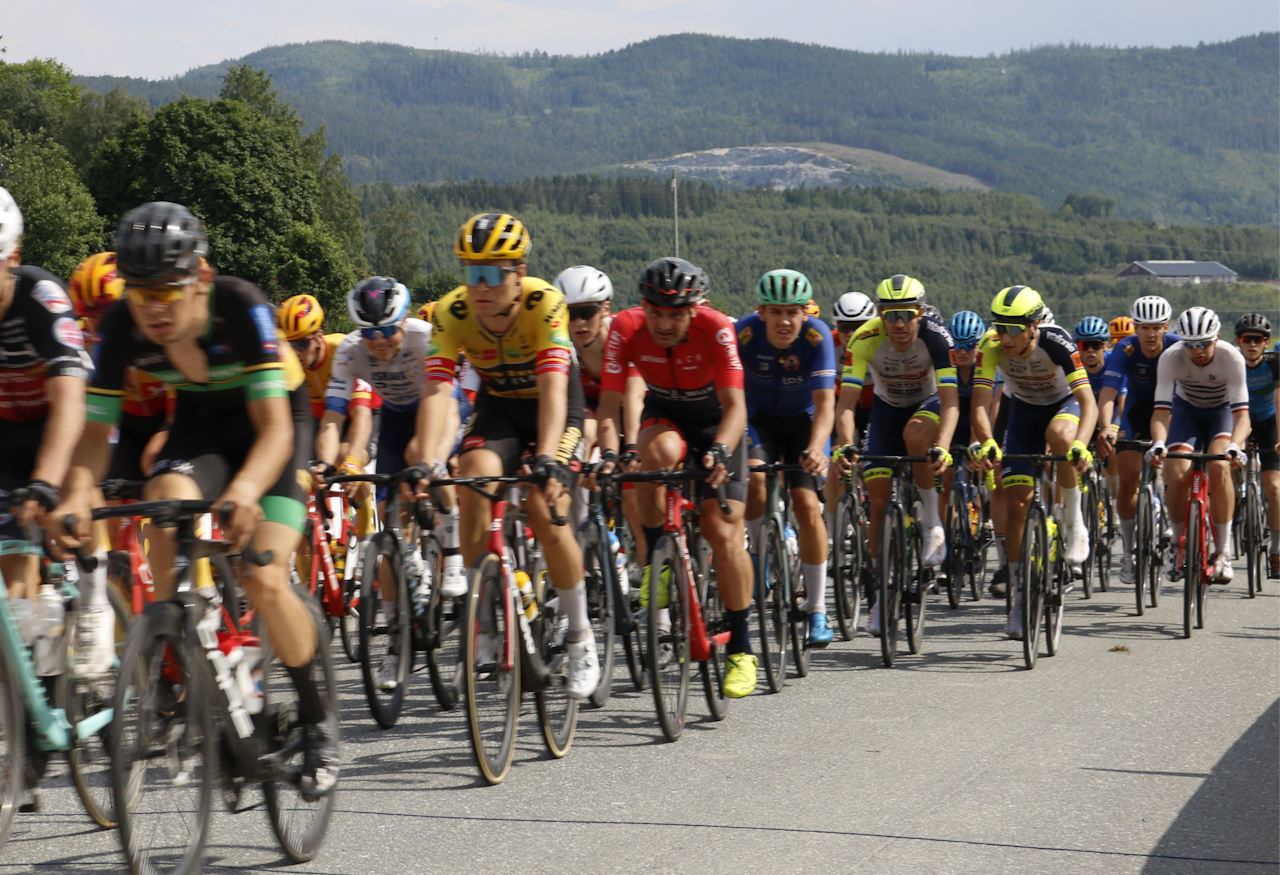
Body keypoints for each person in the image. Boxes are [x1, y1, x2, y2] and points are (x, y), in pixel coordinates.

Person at [53, 201, 337, 799]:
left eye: (167, 292)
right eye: (139, 293)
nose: (152, 308)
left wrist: (243, 491)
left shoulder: (241, 306)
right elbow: (93, 433)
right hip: (201, 427)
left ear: (200, 277)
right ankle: (188, 631)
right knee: (163, 500)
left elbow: (275, 431)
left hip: (274, 427)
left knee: (264, 576)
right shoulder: (123, 327)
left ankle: (316, 720)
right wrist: (76, 493)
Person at [411, 212, 600, 700]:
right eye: (470, 271)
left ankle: (579, 633)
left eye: (492, 272)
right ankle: (486, 619)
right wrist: (430, 461)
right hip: (499, 410)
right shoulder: (452, 313)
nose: (480, 285)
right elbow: (436, 393)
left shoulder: (545, 305)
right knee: (471, 481)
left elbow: (556, 389)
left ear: (518, 274)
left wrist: (551, 461)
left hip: (552, 408)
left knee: (544, 506)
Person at [595, 257, 757, 697]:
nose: (663, 324)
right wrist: (610, 452)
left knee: (723, 532)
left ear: (694, 308)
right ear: (642, 307)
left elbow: (737, 406)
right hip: (665, 414)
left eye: (675, 314)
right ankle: (658, 558)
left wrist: (722, 449)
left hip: (717, 423)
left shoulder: (716, 326)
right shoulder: (625, 328)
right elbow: (609, 407)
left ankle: (742, 648)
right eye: (655, 313)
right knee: (651, 458)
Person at [315, 278, 467, 690]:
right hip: (398, 416)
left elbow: (445, 393)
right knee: (388, 531)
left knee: (425, 458)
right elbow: (333, 417)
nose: (379, 341)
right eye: (370, 332)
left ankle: (452, 551)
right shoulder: (349, 351)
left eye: (387, 330)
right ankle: (396, 644)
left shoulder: (426, 337)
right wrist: (324, 463)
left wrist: (438, 456)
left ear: (404, 320)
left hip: (441, 402)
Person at [833, 274, 959, 636]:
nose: (899, 324)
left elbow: (951, 401)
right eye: (890, 315)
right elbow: (847, 403)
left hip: (928, 404)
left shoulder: (937, 338)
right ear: (880, 315)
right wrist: (845, 442)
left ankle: (933, 521)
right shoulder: (864, 338)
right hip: (886, 411)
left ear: (921, 313)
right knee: (875, 501)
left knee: (916, 435)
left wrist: (945, 447)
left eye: (906, 315)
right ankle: (879, 591)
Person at [969, 285, 1097, 639]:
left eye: (1013, 328)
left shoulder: (1057, 342)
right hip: (1024, 411)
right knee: (1016, 503)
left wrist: (1082, 446)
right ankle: (1018, 592)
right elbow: (980, 404)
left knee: (1061, 438)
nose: (1004, 337)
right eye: (998, 326)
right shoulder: (991, 346)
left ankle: (1074, 521)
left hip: (1062, 404)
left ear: (1033, 326)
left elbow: (1089, 402)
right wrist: (988, 441)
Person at [0, 187, 94, 664]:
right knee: (13, 578)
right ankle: (30, 706)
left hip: (63, 427)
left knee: (73, 515)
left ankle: (96, 599)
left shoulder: (42, 296)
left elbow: (72, 406)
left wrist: (45, 481)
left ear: (12, 257)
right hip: (7, 438)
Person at [737, 269, 836, 646]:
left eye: (792, 312)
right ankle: (762, 550)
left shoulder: (818, 336)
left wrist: (817, 446)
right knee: (754, 479)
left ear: (804, 313)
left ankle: (816, 610)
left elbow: (826, 404)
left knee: (808, 505)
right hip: (757, 419)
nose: (784, 320)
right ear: (761, 311)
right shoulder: (744, 334)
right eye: (776, 311)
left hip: (803, 424)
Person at [1145, 307, 1249, 582]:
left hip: (1221, 413)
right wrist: (1158, 442)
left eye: (1204, 343)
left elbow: (1243, 417)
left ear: (1216, 338)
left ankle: (1223, 552)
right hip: (1186, 413)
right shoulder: (1171, 357)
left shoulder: (1231, 358)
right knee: (1177, 470)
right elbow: (1161, 412)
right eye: (1190, 344)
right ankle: (1177, 544)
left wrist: (1236, 446)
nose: (1198, 350)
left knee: (1220, 467)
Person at [1095, 296, 1179, 585]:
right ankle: (1129, 552)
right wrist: (1106, 428)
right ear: (1136, 328)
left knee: (1175, 472)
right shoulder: (1125, 348)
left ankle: (1176, 530)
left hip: (1175, 408)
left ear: (1166, 327)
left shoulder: (1176, 345)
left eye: (1157, 327)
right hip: (1138, 410)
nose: (1151, 334)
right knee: (1128, 477)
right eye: (1144, 328)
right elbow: (1107, 393)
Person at [824, 291, 878, 530]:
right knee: (838, 460)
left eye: (858, 327)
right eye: (845, 327)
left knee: (876, 463)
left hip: (876, 406)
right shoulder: (829, 344)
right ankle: (833, 527)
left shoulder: (881, 344)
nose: (850, 334)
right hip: (844, 407)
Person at [1233, 314, 1280, 577]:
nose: (1251, 344)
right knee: (1226, 466)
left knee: (1274, 488)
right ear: (1238, 341)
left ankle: (1276, 549)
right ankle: (1237, 497)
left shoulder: (1276, 363)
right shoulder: (1233, 361)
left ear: (1267, 342)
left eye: (1258, 339)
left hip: (1269, 423)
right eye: (1245, 339)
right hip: (1240, 420)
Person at [1075, 316, 1125, 505]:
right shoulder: (1074, 365)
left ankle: (1114, 495)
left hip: (1112, 412)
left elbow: (1122, 402)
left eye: (1095, 345)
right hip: (1085, 413)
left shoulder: (1116, 363)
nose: (1089, 351)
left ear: (1104, 345)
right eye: (1083, 345)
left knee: (1111, 445)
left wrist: (1112, 428)